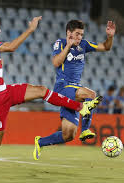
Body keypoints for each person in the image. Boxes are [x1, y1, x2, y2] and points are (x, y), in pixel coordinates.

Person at [0, 15, 101, 174]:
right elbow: (12, 47)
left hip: (3, 92)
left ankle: (81, 107)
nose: (0, 30)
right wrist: (30, 29)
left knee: (41, 90)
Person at [33, 20, 115, 160]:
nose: (79, 38)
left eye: (81, 35)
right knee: (91, 94)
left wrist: (110, 37)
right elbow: (56, 62)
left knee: (68, 134)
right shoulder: (60, 43)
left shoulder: (84, 45)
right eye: (77, 34)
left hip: (74, 91)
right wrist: (68, 45)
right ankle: (85, 130)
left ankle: (40, 142)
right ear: (69, 33)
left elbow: (105, 47)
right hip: (63, 88)